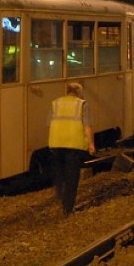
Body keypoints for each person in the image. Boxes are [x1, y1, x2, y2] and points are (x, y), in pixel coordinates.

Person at [48, 82, 96, 216]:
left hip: (56, 143)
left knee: (60, 174)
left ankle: (60, 196)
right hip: (74, 145)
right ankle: (67, 208)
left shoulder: (55, 103)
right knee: (72, 177)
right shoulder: (82, 104)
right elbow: (87, 126)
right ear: (79, 92)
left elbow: (49, 123)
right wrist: (91, 144)